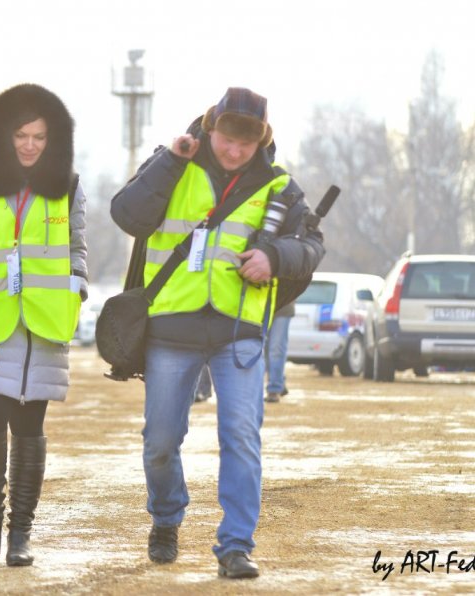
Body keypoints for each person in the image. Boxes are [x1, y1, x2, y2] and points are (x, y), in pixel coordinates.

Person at [110, 87, 325, 579]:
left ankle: (235, 546)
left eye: (245, 145)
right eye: (227, 140)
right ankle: (166, 519)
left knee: (241, 437)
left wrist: (274, 258)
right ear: (211, 130)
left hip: (240, 331)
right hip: (170, 325)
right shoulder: (174, 164)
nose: (234, 151)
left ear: (261, 142)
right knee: (160, 441)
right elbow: (127, 215)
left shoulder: (280, 188)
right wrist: (170, 159)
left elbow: (311, 246)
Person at [0, 84, 87, 567]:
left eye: (39, 136)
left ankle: (20, 534)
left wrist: (78, 286)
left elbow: (77, 247)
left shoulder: (68, 185)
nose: (30, 144)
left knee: (30, 429)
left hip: (45, 326)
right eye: (20, 135)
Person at [264, 300, 295, 403]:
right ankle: (279, 381)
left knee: (276, 349)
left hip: (283, 306)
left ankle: (274, 388)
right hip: (261, 305)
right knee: (265, 350)